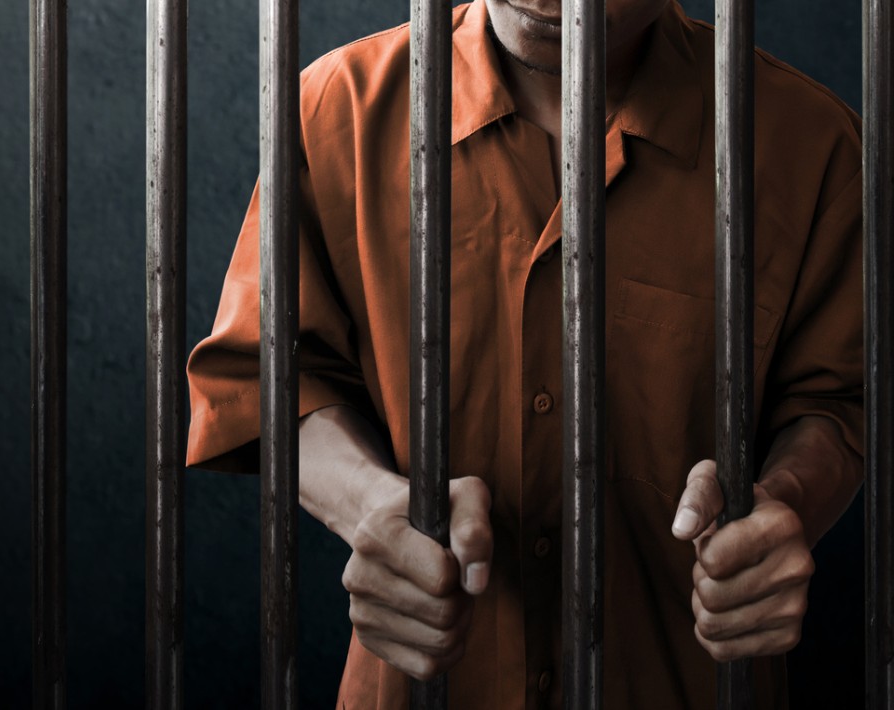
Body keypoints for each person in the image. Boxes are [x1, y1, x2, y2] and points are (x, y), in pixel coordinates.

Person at [184, 0, 865, 707]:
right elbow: (268, 378)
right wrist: (371, 504)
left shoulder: (808, 143)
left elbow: (841, 398)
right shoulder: (338, 109)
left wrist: (787, 501)